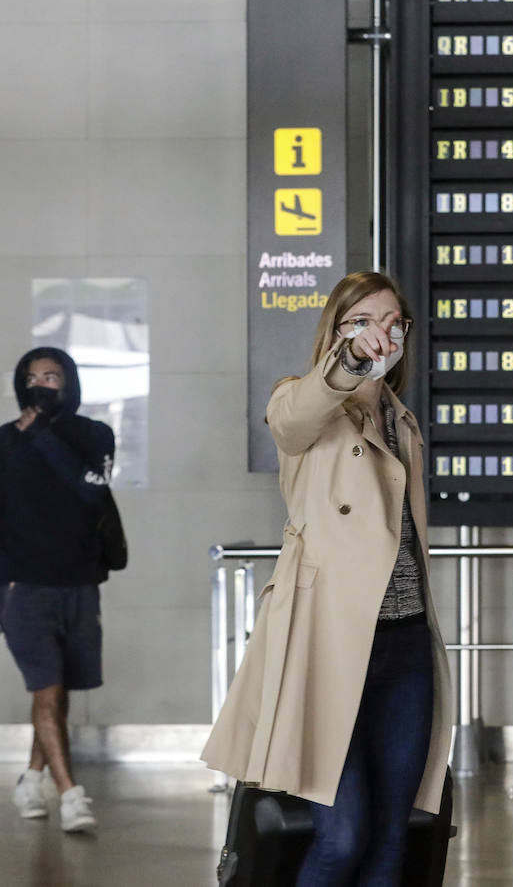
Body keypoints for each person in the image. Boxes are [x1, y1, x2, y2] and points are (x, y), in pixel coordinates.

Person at [201, 271, 453, 886]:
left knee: (394, 840)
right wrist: (347, 363)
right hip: (331, 646)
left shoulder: (404, 420)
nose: (381, 335)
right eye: (363, 321)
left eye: (394, 323)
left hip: (404, 642)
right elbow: (293, 418)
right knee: (342, 836)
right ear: (335, 332)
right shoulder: (303, 400)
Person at [0, 347, 114, 834]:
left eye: (52, 377)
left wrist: (41, 435)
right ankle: (72, 795)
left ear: (68, 384)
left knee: (60, 692)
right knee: (47, 687)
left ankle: (30, 777)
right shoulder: (2, 442)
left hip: (79, 585)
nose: (41, 385)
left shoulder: (95, 435)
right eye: (32, 377)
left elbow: (89, 489)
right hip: (22, 588)